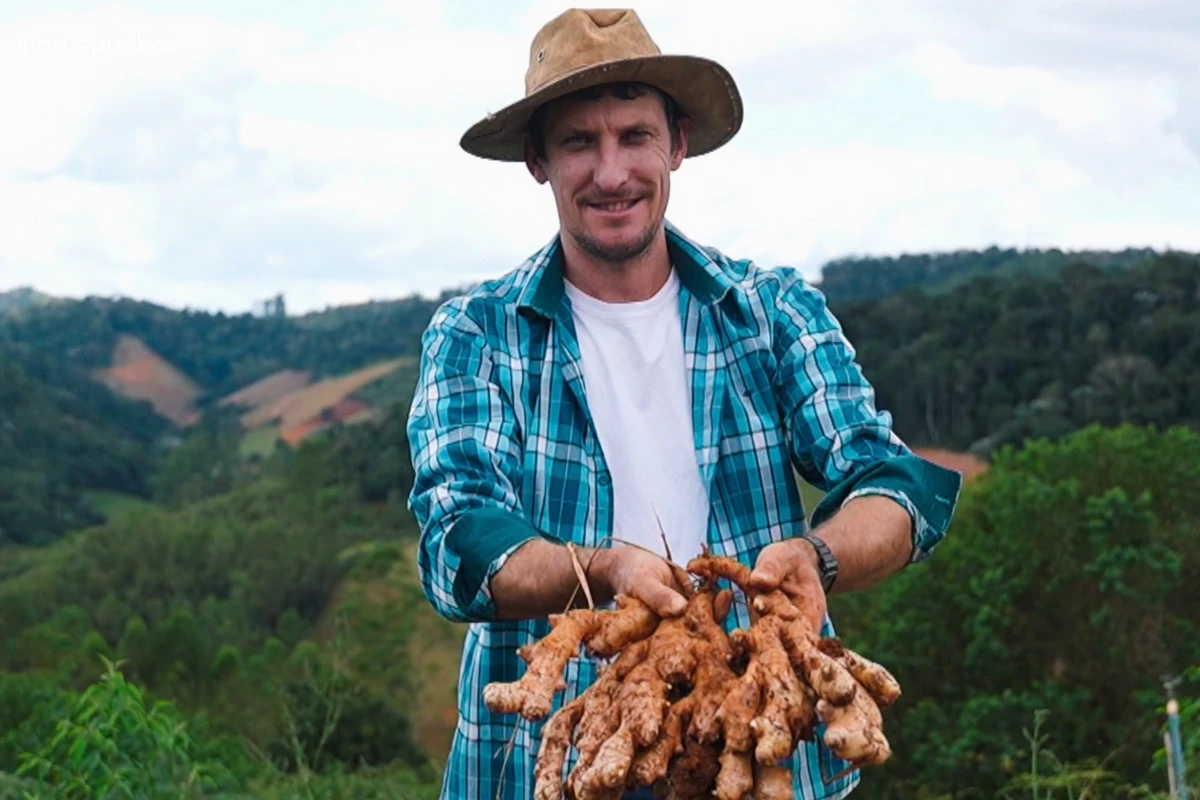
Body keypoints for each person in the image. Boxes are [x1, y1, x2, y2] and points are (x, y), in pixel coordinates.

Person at [406, 8, 964, 800]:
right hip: (553, 758)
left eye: (634, 135)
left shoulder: (770, 313)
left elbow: (891, 480)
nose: (611, 172)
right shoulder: (478, 335)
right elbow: (458, 537)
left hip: (759, 746)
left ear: (678, 143)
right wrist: (606, 572)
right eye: (578, 142)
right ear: (537, 160)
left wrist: (817, 558)